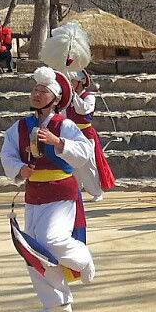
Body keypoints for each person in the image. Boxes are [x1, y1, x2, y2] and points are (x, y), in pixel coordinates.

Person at [0, 67, 96, 312]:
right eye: (35, 90)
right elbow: (7, 153)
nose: (37, 94)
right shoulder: (20, 127)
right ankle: (56, 303)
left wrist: (58, 142)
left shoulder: (65, 125)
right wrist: (20, 169)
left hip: (61, 192)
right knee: (33, 250)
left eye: (43, 91)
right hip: (34, 193)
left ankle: (82, 258)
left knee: (51, 239)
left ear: (54, 98)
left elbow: (85, 151)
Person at [41, 21, 116, 201]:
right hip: (70, 132)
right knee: (70, 162)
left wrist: (72, 94)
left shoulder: (89, 97)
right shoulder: (67, 96)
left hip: (86, 134)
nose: (71, 84)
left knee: (88, 165)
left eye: (74, 82)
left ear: (81, 82)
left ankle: (96, 192)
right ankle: (75, 190)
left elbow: (83, 110)